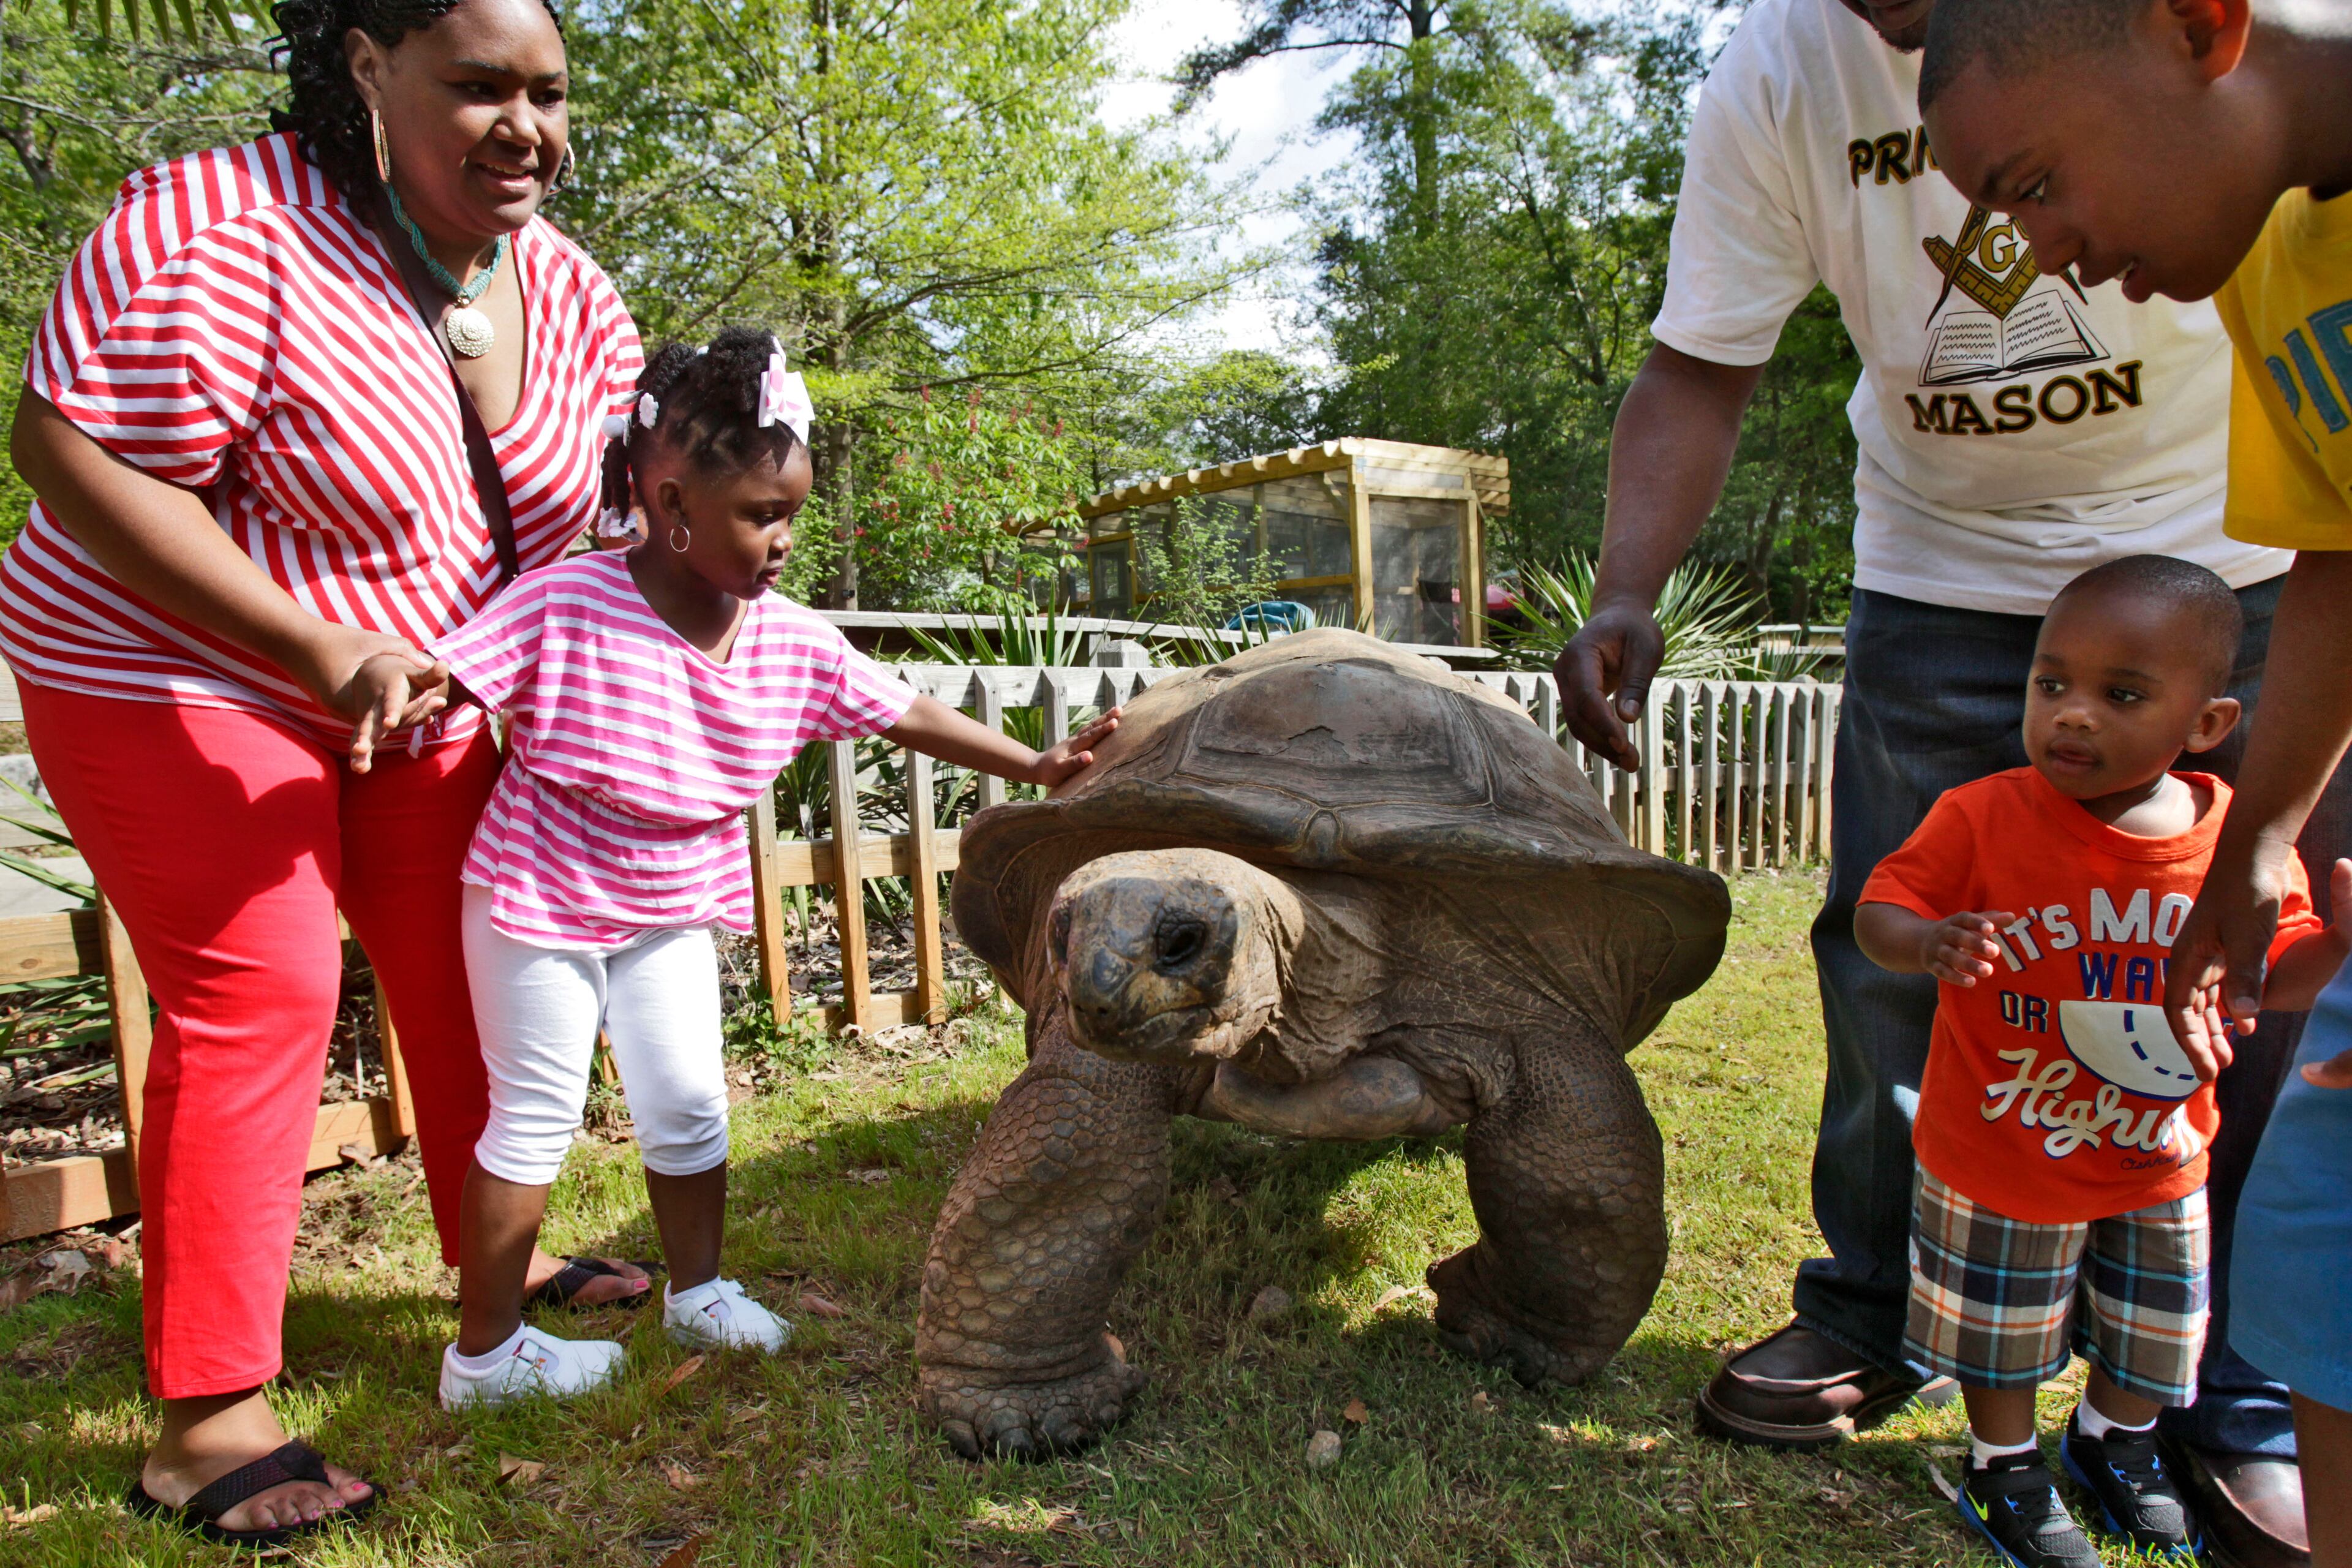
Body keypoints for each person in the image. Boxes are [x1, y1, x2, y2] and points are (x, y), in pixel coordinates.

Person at [1549, 0, 2339, 1552]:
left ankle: (2226, 1385)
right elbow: (1702, 359)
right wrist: (1628, 581)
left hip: (2235, 555)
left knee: (2240, 983)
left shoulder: (2232, 120)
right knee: (1892, 953)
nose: (2034, 247)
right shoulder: (1779, 67)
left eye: (2037, 190)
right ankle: (1886, 1305)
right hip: (1943, 567)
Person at [0, 0, 655, 1544]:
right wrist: (308, 646)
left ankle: (492, 1263)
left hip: (409, 692)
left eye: (549, 91)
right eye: (479, 84)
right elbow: (67, 451)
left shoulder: (570, 294)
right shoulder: (223, 227)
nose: (526, 126)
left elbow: (601, 522)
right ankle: (205, 1413)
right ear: (368, 65)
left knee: (474, 963)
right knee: (265, 983)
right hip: (175, 665)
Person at [355, 330, 1121, 1404]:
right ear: (671, 507)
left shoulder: (789, 641)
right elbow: (456, 673)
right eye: (764, 515)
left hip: (669, 904)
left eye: (792, 513)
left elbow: (901, 708)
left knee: (689, 1105)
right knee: (532, 1115)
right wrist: (401, 679)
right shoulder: (566, 604)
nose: (784, 541)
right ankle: (484, 1357)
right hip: (540, 895)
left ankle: (699, 1292)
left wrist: (1033, 764)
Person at [1915, 4, 2352, 1562]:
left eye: (2034, 183)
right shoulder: (2275, 274)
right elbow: (2334, 565)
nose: (2036, 253)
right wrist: (2266, 848)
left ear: (2197, 25)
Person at [1856, 556, 2344, 1566]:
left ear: (2206, 724)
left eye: (2120, 695)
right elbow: (1878, 909)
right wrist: (1924, 941)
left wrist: (2336, 950)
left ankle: (2113, 1441)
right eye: (2052, 685)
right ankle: (2004, 1466)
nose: (2072, 715)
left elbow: (2272, 973)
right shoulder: (1982, 813)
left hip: (2158, 1155)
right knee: (2002, 1337)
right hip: (2001, 1151)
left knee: (2157, 1337)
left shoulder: (2236, 842)